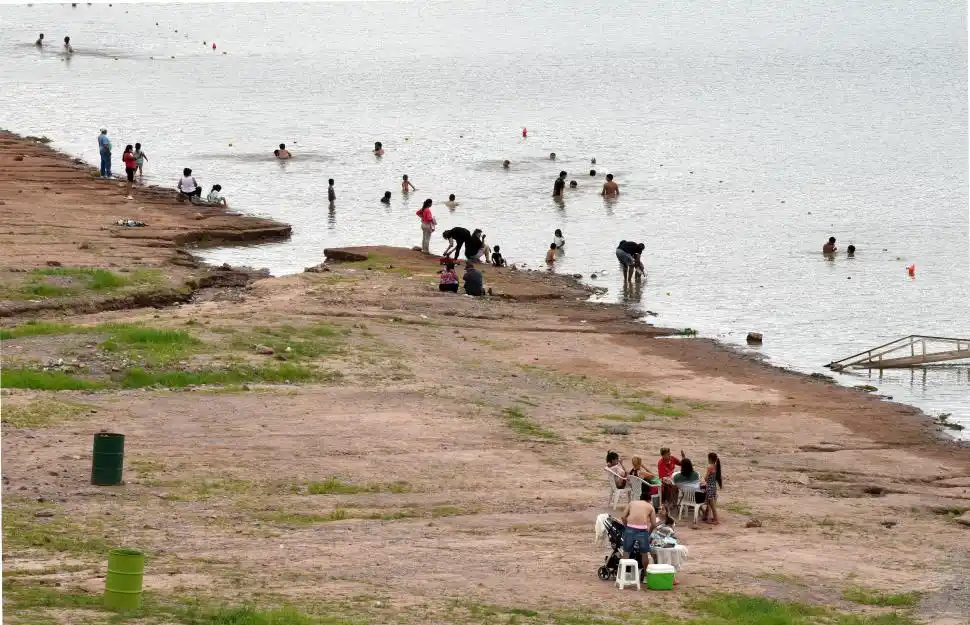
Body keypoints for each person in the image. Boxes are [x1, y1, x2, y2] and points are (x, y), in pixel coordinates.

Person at [620, 497, 657, 562]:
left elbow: (623, 517)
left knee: (626, 552)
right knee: (644, 554)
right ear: (649, 500)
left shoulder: (631, 503)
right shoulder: (650, 507)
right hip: (642, 530)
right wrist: (649, 533)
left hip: (630, 529)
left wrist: (627, 526)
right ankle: (645, 571)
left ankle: (623, 570)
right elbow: (654, 524)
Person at [702, 453, 722, 524]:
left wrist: (703, 480)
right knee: (709, 503)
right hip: (713, 487)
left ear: (710, 459)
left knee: (712, 505)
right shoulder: (716, 466)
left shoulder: (710, 467)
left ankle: (716, 520)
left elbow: (706, 478)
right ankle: (705, 516)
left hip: (709, 487)